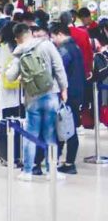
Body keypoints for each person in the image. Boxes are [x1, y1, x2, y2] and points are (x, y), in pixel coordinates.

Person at [6, 23, 68, 181]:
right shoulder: (47, 45)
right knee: (50, 134)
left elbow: (10, 76)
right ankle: (50, 170)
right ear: (30, 33)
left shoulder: (19, 52)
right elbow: (59, 67)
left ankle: (27, 171)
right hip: (51, 94)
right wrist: (64, 89)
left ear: (17, 38)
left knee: (31, 134)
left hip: (32, 97)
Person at [49, 22, 85, 175]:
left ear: (59, 34)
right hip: (77, 92)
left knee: (68, 128)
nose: (52, 40)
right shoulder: (75, 47)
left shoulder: (63, 50)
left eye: (53, 37)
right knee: (69, 126)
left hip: (68, 93)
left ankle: (69, 162)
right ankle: (64, 159)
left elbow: (58, 70)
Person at [0, 21, 22, 167]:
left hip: (4, 88)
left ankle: (6, 155)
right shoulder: (20, 48)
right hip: (20, 90)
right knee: (18, 122)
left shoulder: (0, 48)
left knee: (5, 122)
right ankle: (18, 154)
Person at [59, 11, 93, 79]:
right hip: (82, 68)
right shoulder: (83, 33)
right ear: (72, 19)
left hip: (66, 70)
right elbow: (88, 52)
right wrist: (89, 69)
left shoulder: (59, 35)